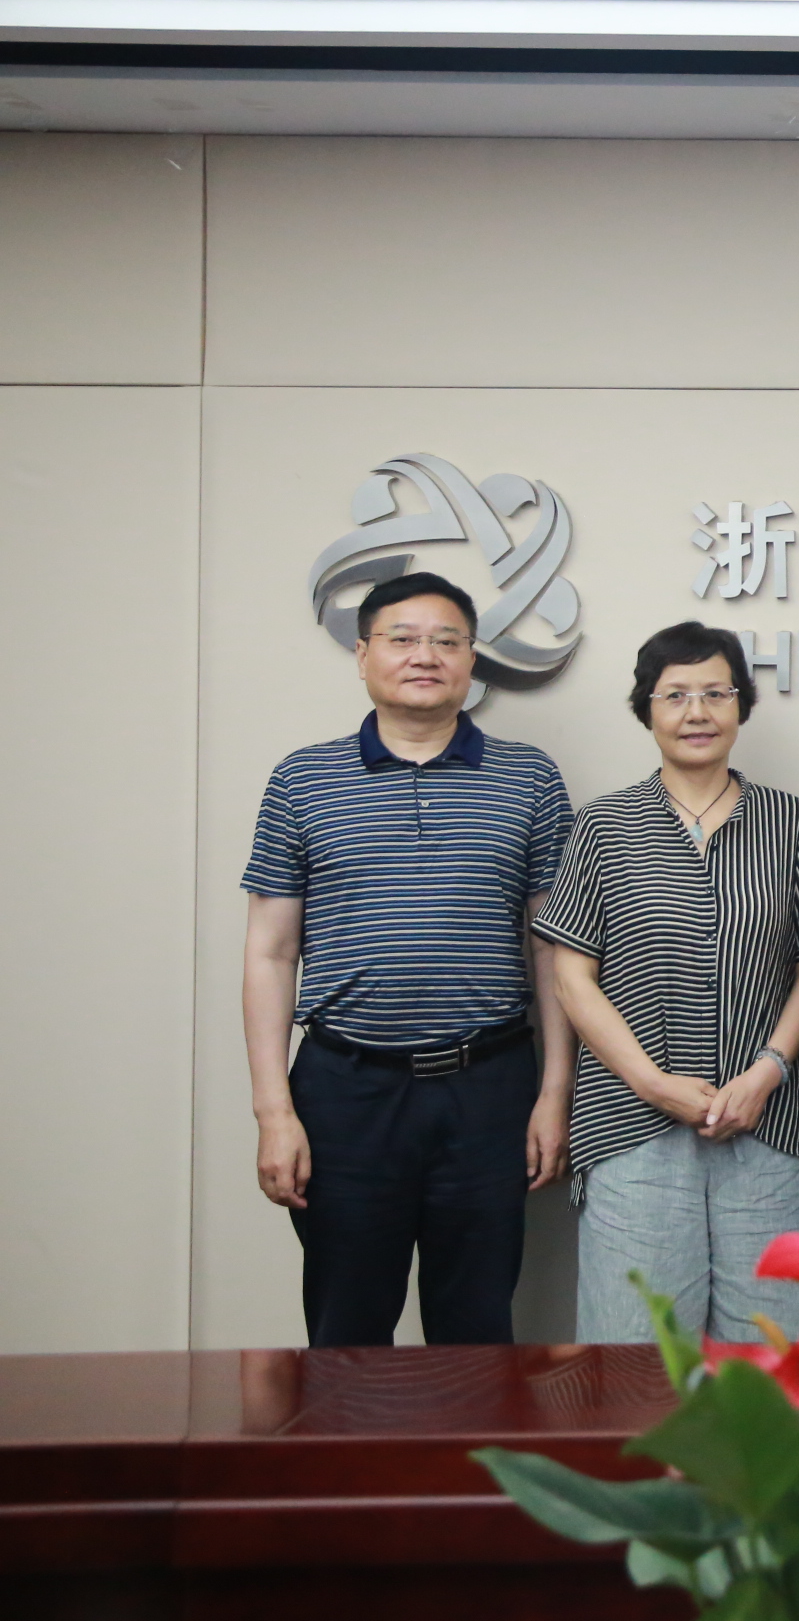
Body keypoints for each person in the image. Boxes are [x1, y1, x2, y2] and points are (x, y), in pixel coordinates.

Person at [240, 572, 574, 1346]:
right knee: (346, 1331)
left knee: (478, 1329)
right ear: (363, 655)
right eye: (403, 639)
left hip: (489, 1088)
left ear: (471, 660)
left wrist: (553, 1092)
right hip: (344, 1090)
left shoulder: (529, 778)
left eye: (447, 641)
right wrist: (273, 1112)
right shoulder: (301, 780)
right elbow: (270, 951)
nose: (426, 656)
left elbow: (552, 949)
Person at [535, 622, 799, 1343]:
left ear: (741, 705)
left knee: (771, 1355)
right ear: (647, 709)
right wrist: (651, 1082)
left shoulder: (787, 822)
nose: (697, 712)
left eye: (715, 694)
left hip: (767, 1124)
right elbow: (571, 973)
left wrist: (768, 1070)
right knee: (636, 1353)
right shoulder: (603, 825)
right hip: (630, 1126)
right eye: (675, 696)